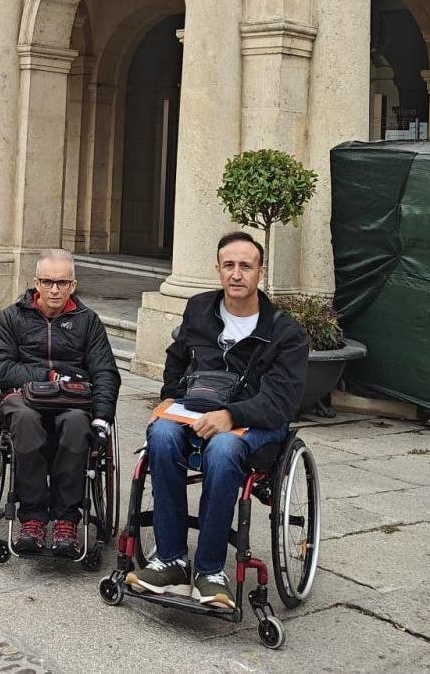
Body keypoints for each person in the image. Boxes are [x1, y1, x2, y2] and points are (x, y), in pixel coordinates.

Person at [127, 231, 307, 607]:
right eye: (229, 265)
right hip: (196, 410)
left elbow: (282, 401)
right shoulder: (199, 309)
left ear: (261, 271)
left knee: (224, 450)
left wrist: (232, 415)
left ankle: (210, 569)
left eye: (246, 266)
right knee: (160, 434)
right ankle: (170, 559)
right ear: (218, 270)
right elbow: (176, 357)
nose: (236, 274)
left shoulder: (285, 332)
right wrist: (171, 399)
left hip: (256, 423)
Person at [0, 249, 120, 557]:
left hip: (72, 402)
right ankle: (32, 518)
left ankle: (65, 520)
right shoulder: (12, 317)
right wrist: (48, 374)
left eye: (62, 282)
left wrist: (101, 419)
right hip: (24, 399)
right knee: (24, 419)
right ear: (36, 282)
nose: (55, 289)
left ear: (73, 285)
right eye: (48, 282)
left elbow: (105, 373)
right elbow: (0, 369)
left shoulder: (88, 322)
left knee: (77, 424)